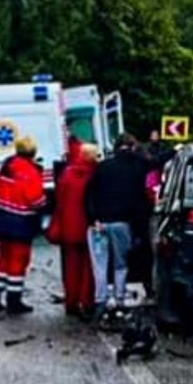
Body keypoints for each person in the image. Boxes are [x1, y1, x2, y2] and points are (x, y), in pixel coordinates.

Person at [86, 134, 150, 321]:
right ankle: (119, 299)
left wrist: (93, 218)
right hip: (122, 223)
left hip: (99, 224)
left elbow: (89, 195)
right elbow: (139, 201)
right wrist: (139, 229)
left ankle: (101, 301)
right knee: (120, 264)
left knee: (100, 264)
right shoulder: (136, 168)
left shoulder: (102, 167)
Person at [0, 134, 47, 314]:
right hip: (20, 222)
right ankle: (14, 300)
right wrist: (47, 204)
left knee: (3, 258)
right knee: (19, 261)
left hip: (1, 219)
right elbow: (35, 200)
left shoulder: (6, 167)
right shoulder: (30, 172)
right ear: (33, 153)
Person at [46, 141, 98, 320]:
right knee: (89, 267)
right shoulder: (94, 174)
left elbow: (59, 199)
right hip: (88, 225)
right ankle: (86, 301)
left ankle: (71, 302)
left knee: (71, 267)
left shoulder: (67, 174)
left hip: (68, 226)